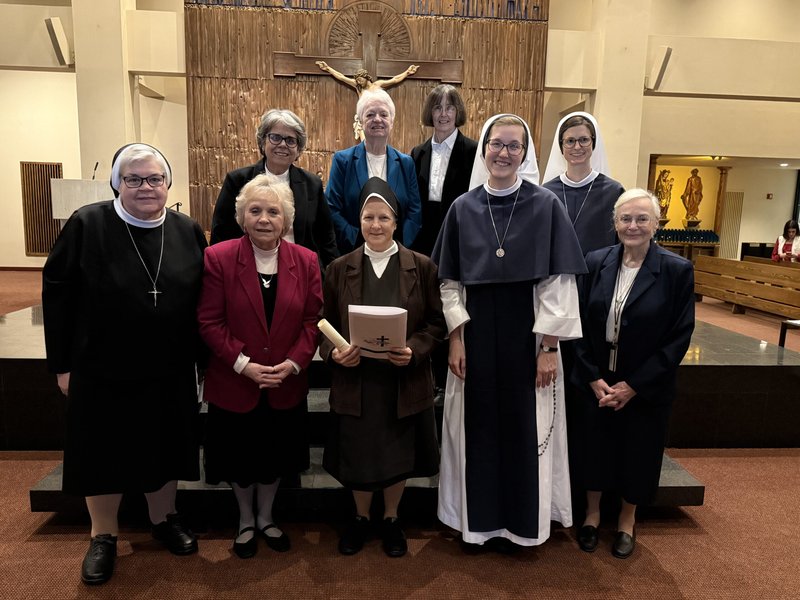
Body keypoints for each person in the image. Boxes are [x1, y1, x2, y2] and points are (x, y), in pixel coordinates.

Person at [42, 143, 207, 585]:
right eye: (133, 179)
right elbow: (57, 297)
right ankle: (103, 536)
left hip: (169, 366)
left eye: (154, 178)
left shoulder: (187, 230)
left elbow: (202, 302)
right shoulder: (87, 224)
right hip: (100, 365)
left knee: (166, 444)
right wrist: (62, 364)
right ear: (117, 183)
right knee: (102, 449)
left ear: (168, 183)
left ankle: (164, 518)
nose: (145, 187)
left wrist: (201, 365)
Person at [432, 114, 587, 551]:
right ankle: (476, 525)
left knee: (527, 429)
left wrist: (549, 347)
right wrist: (457, 338)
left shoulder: (545, 205)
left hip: (528, 336)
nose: (503, 153)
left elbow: (559, 282)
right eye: (496, 145)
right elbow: (450, 283)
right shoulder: (463, 208)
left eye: (513, 146)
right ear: (484, 150)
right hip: (476, 337)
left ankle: (525, 525)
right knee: (475, 432)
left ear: (525, 153)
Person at [198, 175, 322, 559]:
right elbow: (208, 321)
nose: (264, 218)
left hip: (284, 381)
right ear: (242, 217)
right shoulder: (217, 258)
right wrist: (242, 364)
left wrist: (295, 362)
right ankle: (245, 519)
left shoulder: (306, 260)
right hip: (236, 381)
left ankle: (267, 516)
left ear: (286, 220)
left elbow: (312, 320)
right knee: (239, 457)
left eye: (273, 211)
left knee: (274, 457)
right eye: (255, 210)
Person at [320, 177, 445, 558]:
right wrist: (334, 353)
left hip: (401, 378)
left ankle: (391, 518)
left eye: (384, 218)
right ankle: (360, 518)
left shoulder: (421, 267)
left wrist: (415, 350)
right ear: (359, 221)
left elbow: (436, 325)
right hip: (357, 377)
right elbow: (322, 323)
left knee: (397, 453)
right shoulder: (340, 268)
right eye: (368, 217)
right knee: (358, 453)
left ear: (396, 221)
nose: (375, 225)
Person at [572, 189, 695, 559]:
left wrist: (635, 385)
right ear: (614, 223)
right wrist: (592, 376)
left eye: (642, 218)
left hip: (644, 383)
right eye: (625, 218)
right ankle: (591, 517)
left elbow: (679, 336)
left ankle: (627, 520)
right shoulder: (596, 261)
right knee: (594, 448)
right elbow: (575, 321)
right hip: (598, 378)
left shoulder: (676, 270)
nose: (633, 226)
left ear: (656, 224)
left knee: (637, 452)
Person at [210, 108, 339, 269]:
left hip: (300, 271)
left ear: (298, 149)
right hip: (245, 269)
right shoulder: (237, 181)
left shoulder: (312, 184)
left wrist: (331, 277)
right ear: (263, 142)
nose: (283, 145)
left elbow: (326, 237)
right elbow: (221, 234)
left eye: (291, 140)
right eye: (275, 137)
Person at [325, 89, 422, 254]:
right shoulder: (343, 161)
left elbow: (415, 212)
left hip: (396, 251)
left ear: (392, 121)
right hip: (354, 251)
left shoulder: (406, 163)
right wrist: (360, 240)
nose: (377, 119)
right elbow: (332, 208)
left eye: (384, 114)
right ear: (360, 121)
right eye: (370, 115)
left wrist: (397, 243)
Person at [541, 111, 625, 255]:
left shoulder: (613, 191)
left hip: (599, 273)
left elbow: (621, 241)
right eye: (570, 141)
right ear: (561, 146)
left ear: (593, 143)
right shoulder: (547, 192)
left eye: (584, 140)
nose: (577, 147)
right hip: (556, 275)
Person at [410, 84, 478, 257]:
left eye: (450, 108)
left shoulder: (473, 151)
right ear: (430, 113)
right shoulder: (417, 153)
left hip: (458, 232)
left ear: (458, 112)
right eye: (437, 108)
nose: (443, 114)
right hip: (423, 237)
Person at [314, 62, 419, 140]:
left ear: (366, 77)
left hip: (376, 115)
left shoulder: (377, 84)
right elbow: (342, 77)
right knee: (364, 142)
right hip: (364, 116)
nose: (359, 82)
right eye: (357, 80)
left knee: (378, 138)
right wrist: (328, 68)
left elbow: (394, 80)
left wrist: (407, 72)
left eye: (360, 79)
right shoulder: (358, 87)